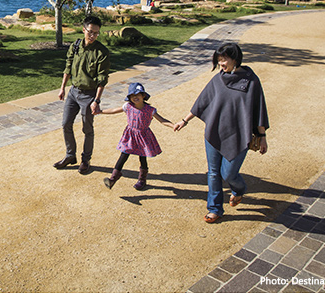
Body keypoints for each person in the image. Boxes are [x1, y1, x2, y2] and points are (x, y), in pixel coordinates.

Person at [174, 43, 269, 223]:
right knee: (213, 173)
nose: (221, 64)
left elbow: (259, 109)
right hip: (214, 133)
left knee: (229, 174)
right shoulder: (218, 80)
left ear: (235, 58)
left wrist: (262, 136)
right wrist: (184, 121)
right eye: (219, 61)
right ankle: (215, 209)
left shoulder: (251, 81)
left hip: (239, 135)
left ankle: (239, 190)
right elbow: (201, 103)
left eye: (224, 60)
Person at [53, 16, 111, 174]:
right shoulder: (75, 45)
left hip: (89, 95)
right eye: (90, 32)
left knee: (87, 129)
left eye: (96, 33)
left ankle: (86, 160)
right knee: (66, 124)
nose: (92, 36)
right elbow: (68, 66)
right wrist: (62, 88)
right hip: (73, 92)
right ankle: (70, 155)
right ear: (83, 29)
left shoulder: (102, 52)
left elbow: (102, 79)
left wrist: (96, 101)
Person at [98, 82, 175, 190]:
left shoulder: (150, 110)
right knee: (124, 154)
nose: (135, 97)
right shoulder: (128, 106)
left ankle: (142, 180)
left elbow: (162, 120)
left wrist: (173, 125)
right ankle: (113, 178)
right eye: (132, 96)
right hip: (130, 135)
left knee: (142, 158)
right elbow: (114, 110)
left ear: (143, 95)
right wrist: (101, 111)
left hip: (143, 136)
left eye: (137, 95)